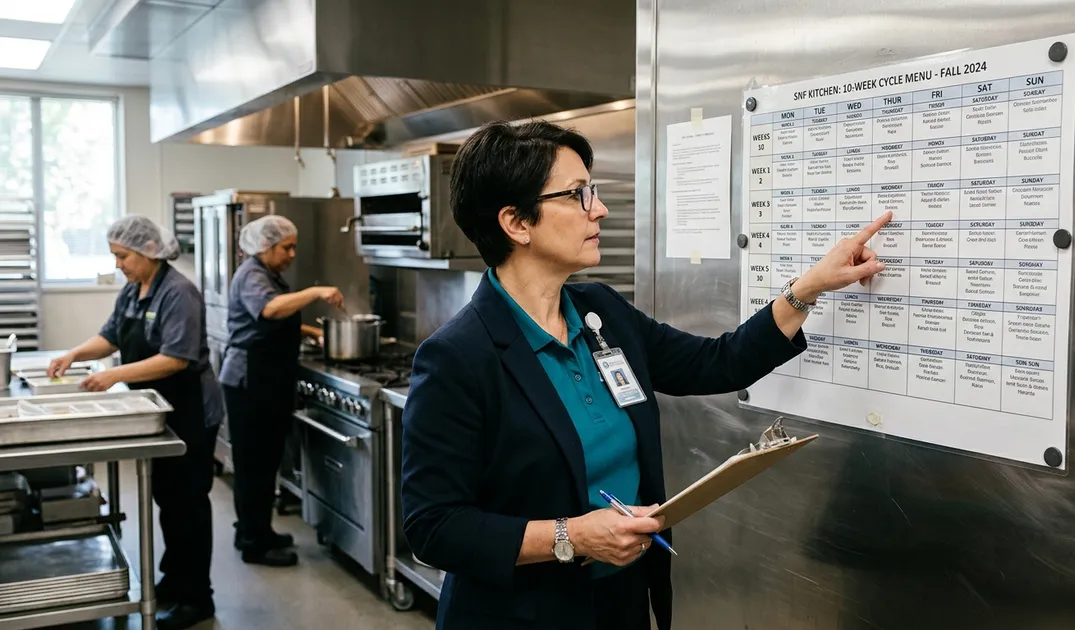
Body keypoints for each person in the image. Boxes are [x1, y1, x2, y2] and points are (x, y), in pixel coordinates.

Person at [400, 120, 891, 630]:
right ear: (517, 223)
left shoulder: (601, 312)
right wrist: (571, 537)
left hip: (622, 599)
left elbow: (717, 362)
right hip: (521, 615)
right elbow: (433, 526)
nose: (599, 209)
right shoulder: (458, 357)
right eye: (577, 194)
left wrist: (809, 287)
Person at [49, 216, 224, 630]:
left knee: (188, 505)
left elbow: (176, 358)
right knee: (168, 501)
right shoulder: (133, 289)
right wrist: (76, 354)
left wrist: (114, 375)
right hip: (157, 410)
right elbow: (110, 336)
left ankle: (197, 598)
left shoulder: (179, 292)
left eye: (122, 256)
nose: (118, 264)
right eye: (115, 256)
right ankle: (175, 581)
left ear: (149, 251)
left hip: (190, 412)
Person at [218, 215, 343, 567]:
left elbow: (276, 315)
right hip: (249, 381)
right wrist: (316, 292)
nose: (291, 254)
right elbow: (270, 310)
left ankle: (257, 530)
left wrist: (310, 332)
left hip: (265, 380)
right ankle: (254, 543)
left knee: (264, 462)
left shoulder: (266, 274)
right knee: (253, 466)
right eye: (286, 248)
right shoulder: (252, 274)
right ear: (266, 246)